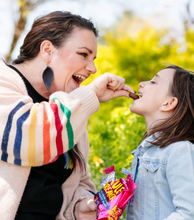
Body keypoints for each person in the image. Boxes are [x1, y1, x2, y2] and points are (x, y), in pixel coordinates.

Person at [0, 11, 134, 220]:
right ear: (47, 51)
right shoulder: (3, 81)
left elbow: (78, 182)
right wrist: (89, 95)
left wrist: (80, 207)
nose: (93, 68)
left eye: (93, 58)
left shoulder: (69, 107)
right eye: (83, 54)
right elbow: (29, 141)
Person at [122, 65, 194, 219]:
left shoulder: (182, 151)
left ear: (168, 103)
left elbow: (191, 215)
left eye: (153, 82)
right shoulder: (147, 151)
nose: (141, 83)